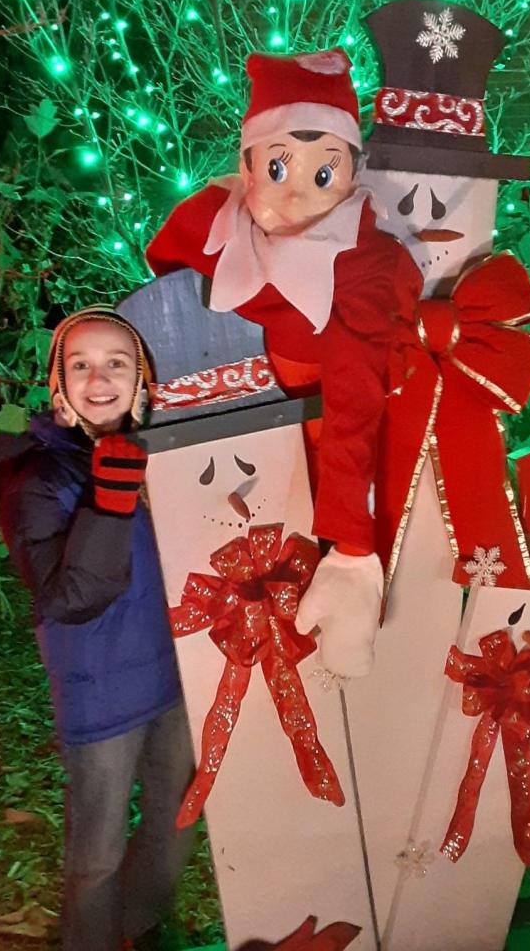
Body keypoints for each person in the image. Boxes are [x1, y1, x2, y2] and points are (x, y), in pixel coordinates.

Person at [145, 48, 423, 678]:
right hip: (239, 450)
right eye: (278, 166)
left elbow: (356, 399)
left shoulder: (364, 264)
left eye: (325, 172)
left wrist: (353, 547)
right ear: (247, 165)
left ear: (353, 170)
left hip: (335, 456)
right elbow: (168, 309)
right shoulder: (218, 229)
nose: (299, 191)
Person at [0, 307, 195, 951]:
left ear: (142, 380)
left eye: (116, 364)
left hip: (177, 676)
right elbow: (68, 598)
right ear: (58, 384)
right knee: (97, 848)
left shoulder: (165, 453)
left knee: (175, 819)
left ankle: (145, 927)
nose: (99, 379)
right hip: (102, 693)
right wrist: (111, 496)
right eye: (81, 365)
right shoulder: (37, 476)